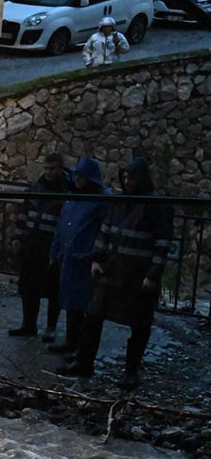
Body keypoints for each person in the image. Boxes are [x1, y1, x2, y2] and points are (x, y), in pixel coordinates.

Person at [57, 158, 173, 389]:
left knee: (139, 325)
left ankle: (131, 372)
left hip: (137, 275)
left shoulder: (155, 205)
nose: (128, 182)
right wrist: (97, 259)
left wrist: (152, 275)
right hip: (112, 270)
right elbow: (106, 230)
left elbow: (162, 243)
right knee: (93, 318)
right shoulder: (119, 202)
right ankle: (84, 363)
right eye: (125, 177)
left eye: (131, 178)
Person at [47, 156, 110, 357]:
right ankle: (70, 341)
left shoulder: (101, 199)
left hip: (85, 259)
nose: (79, 180)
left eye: (82, 176)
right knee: (70, 301)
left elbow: (104, 229)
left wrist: (97, 256)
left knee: (84, 305)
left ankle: (80, 347)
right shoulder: (75, 196)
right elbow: (61, 225)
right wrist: (54, 251)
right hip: (69, 257)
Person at [10, 154, 70, 340]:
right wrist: (18, 237)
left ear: (60, 169)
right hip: (32, 244)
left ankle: (51, 327)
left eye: (52, 169)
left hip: (52, 246)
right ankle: (28, 324)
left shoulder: (67, 192)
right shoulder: (35, 188)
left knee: (53, 289)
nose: (48, 172)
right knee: (28, 287)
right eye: (46, 168)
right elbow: (24, 214)